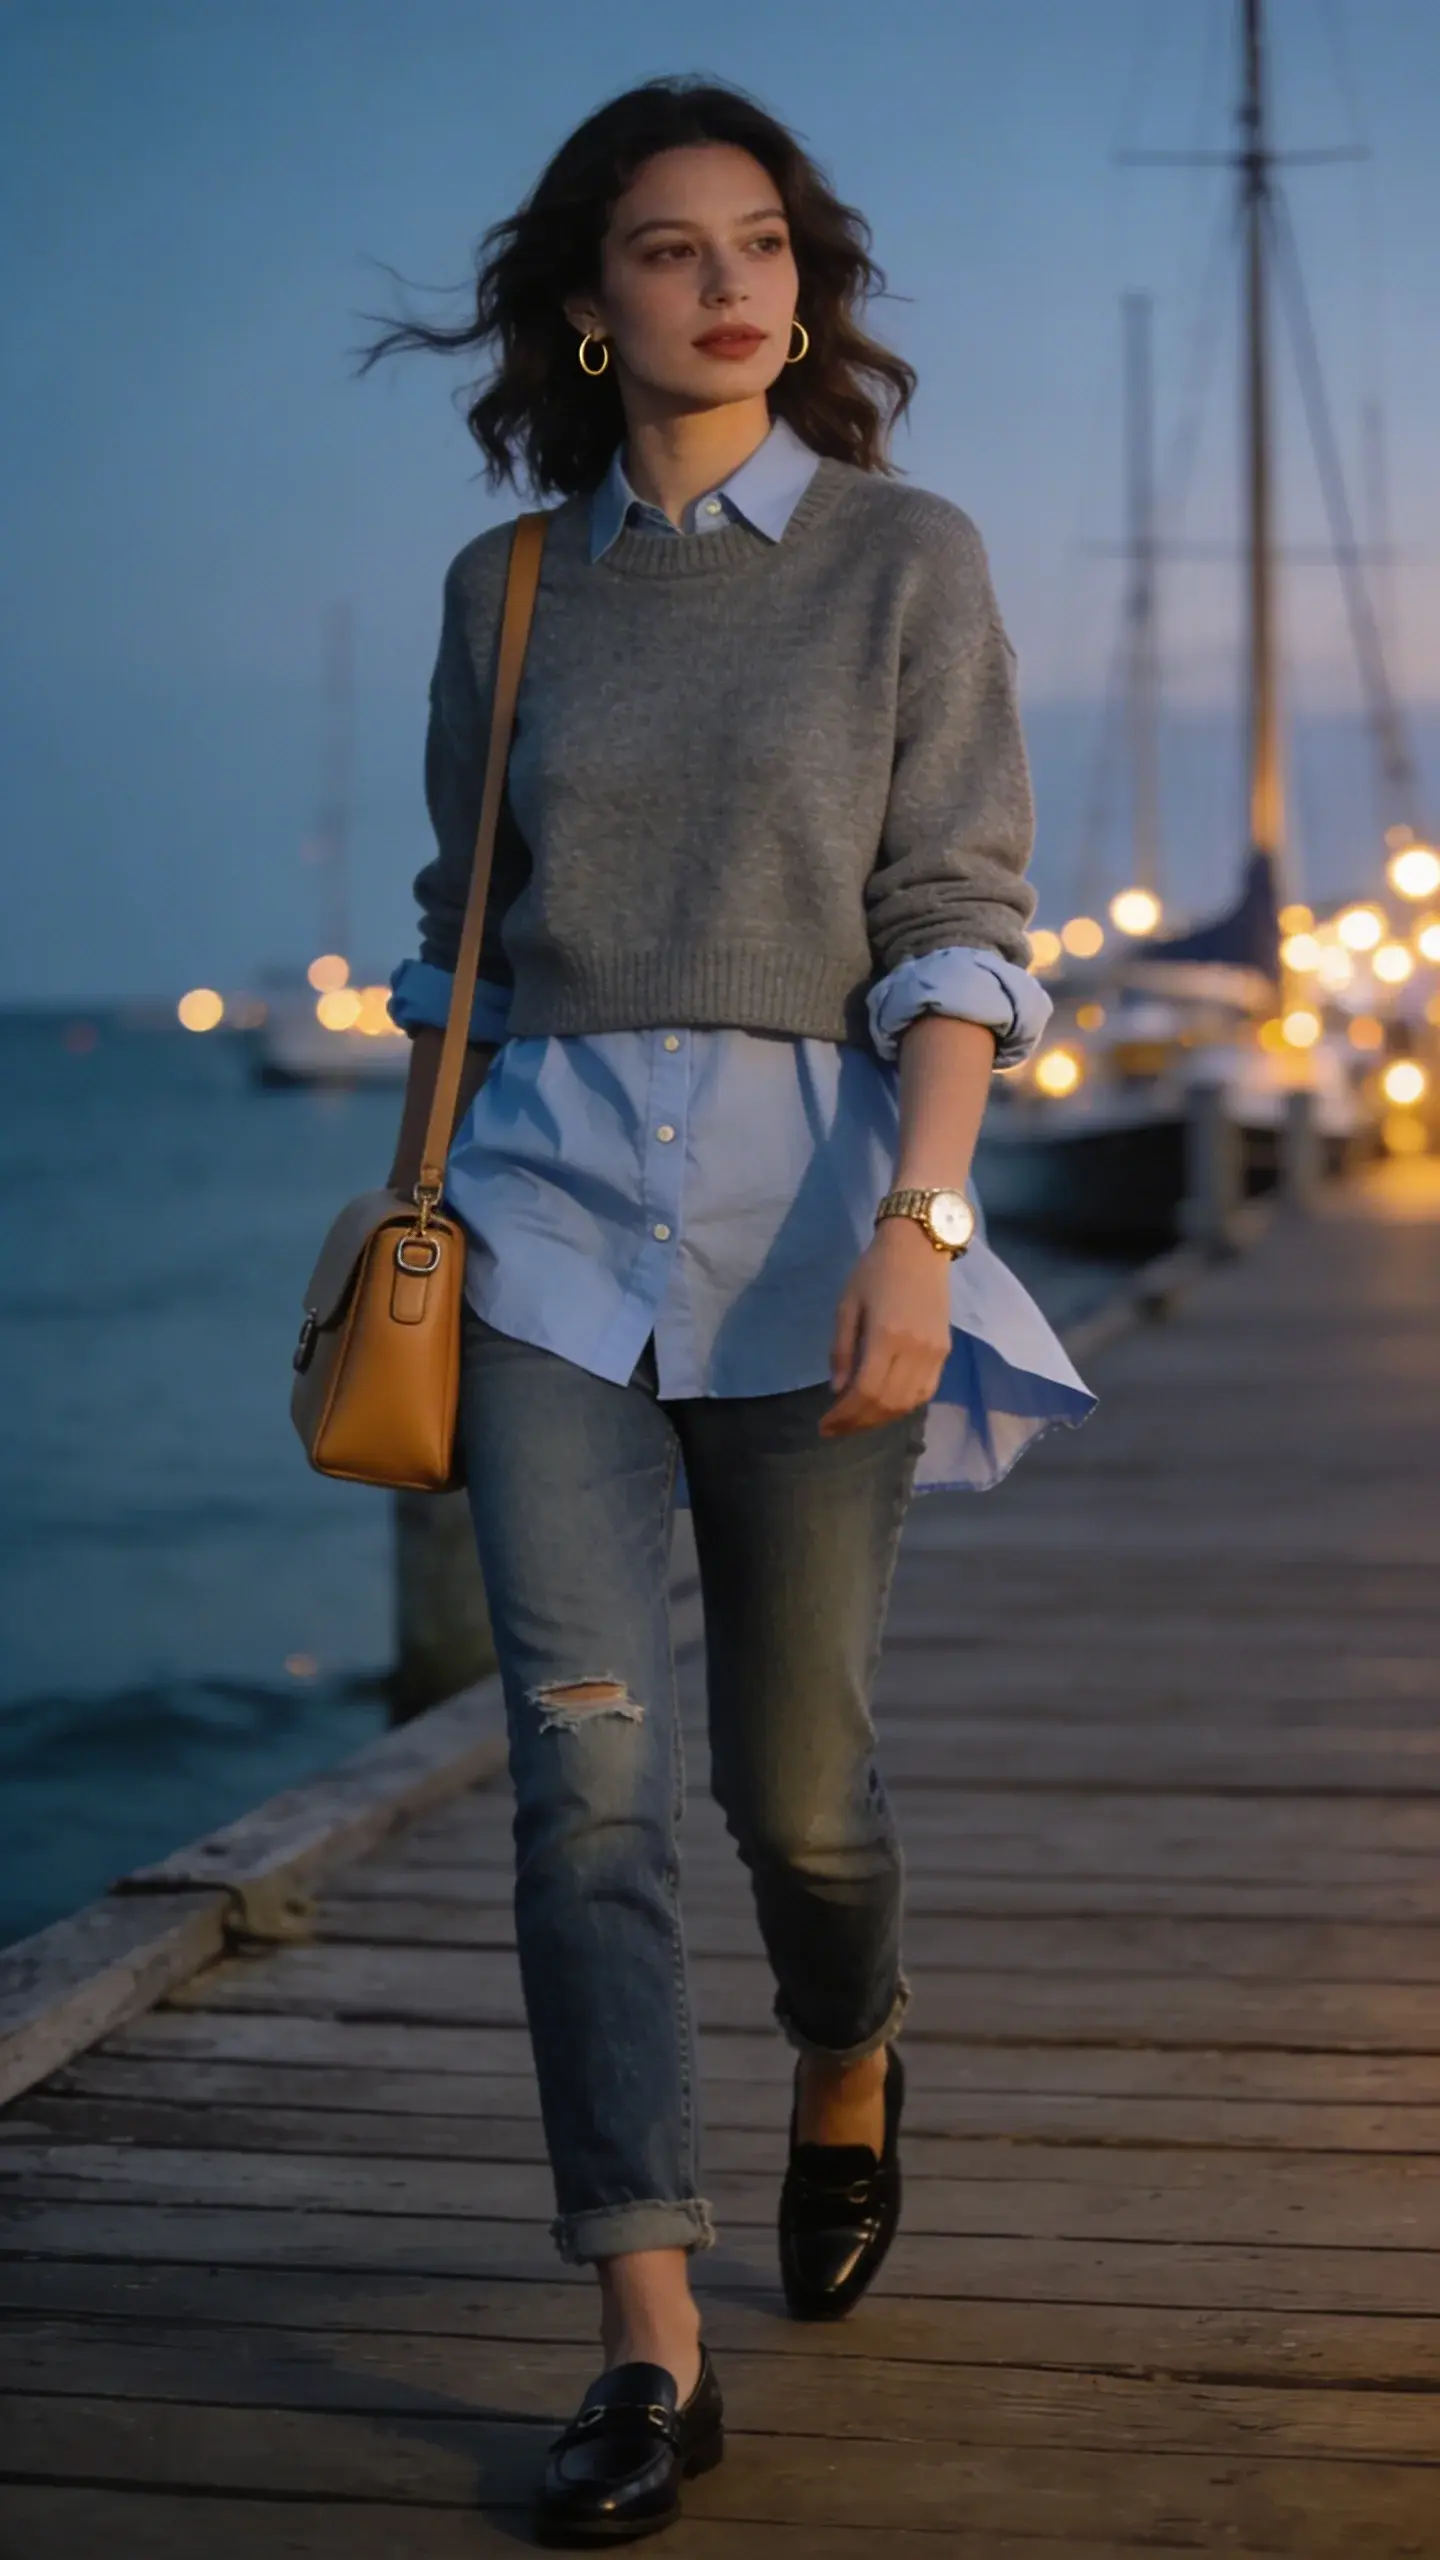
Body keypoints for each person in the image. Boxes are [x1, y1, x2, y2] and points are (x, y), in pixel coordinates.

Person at [375, 76, 1093, 2545]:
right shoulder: (509, 593)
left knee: (794, 1789)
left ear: (807, 278)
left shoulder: (908, 559)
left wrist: (925, 1219)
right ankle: (649, 2345)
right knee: (582, 1783)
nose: (728, 283)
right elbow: (467, 913)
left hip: (812, 1241)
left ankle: (852, 2044)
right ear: (587, 307)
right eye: (668, 252)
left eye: (761, 240)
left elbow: (957, 909)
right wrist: (424, 1134)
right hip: (548, 1243)